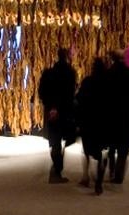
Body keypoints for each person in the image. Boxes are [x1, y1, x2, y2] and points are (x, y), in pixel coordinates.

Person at [38, 47, 77, 184]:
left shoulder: (48, 73)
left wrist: (49, 105)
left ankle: (57, 168)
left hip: (52, 111)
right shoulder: (70, 72)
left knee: (54, 141)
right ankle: (58, 169)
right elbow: (72, 92)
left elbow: (41, 92)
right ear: (66, 57)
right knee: (67, 138)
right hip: (66, 110)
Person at [76, 57, 109, 193]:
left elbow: (79, 99)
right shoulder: (109, 84)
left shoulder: (87, 82)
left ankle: (86, 177)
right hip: (104, 122)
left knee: (87, 151)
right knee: (104, 153)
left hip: (89, 122)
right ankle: (99, 182)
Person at [105, 50, 129, 185]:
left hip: (112, 114)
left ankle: (112, 170)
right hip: (126, 114)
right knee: (123, 148)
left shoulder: (108, 74)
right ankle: (119, 175)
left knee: (111, 146)